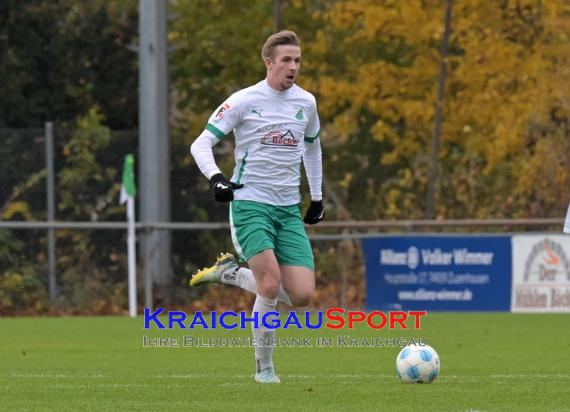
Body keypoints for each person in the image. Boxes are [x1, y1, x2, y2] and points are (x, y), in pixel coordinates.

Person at [189, 30, 325, 384]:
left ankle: (230, 274)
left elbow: (312, 148)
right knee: (268, 286)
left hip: (287, 209)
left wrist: (318, 196)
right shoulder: (244, 101)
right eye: (286, 60)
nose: (293, 66)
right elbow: (201, 144)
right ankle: (264, 369)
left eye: (297, 60)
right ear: (269, 62)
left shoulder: (306, 103)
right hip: (250, 203)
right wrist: (217, 177)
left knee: (302, 296)